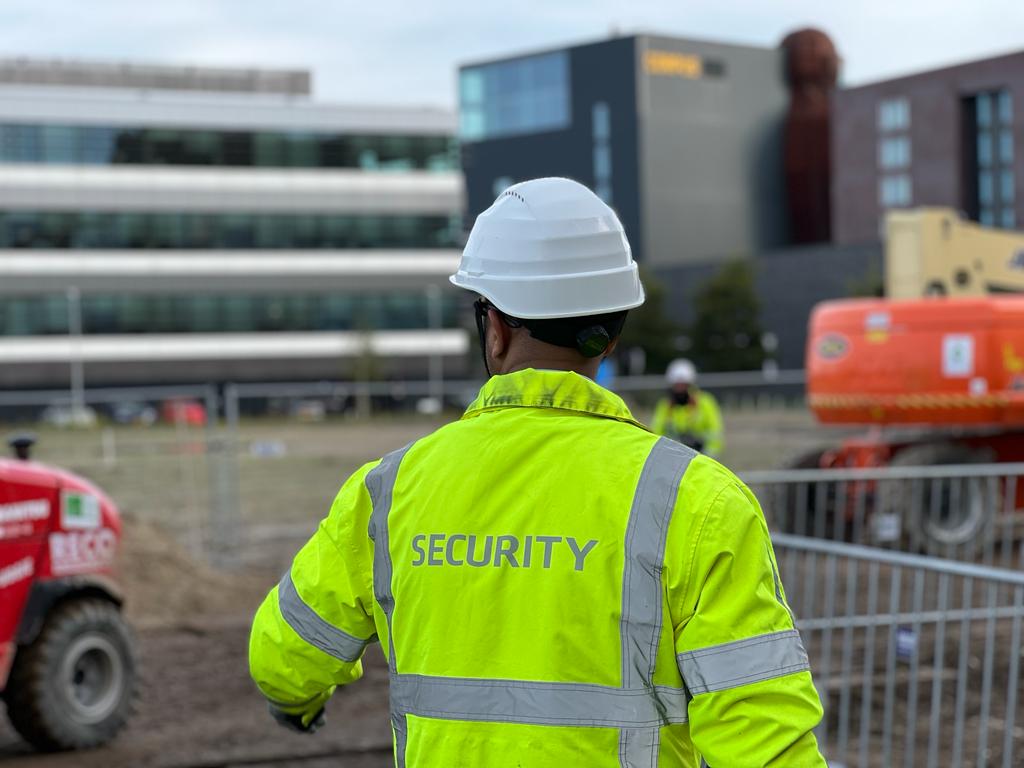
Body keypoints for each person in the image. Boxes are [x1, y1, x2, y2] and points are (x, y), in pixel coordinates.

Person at [249, 178, 825, 767]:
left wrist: (295, 702)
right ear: (610, 337)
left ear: (493, 328)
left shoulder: (390, 491)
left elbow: (282, 655)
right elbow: (767, 741)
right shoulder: (699, 503)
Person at [652, 359, 724, 457]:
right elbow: (656, 431)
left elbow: (715, 430)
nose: (680, 390)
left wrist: (709, 454)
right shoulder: (665, 406)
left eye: (684, 385)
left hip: (703, 456)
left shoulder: (705, 402)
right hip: (673, 457)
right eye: (677, 385)